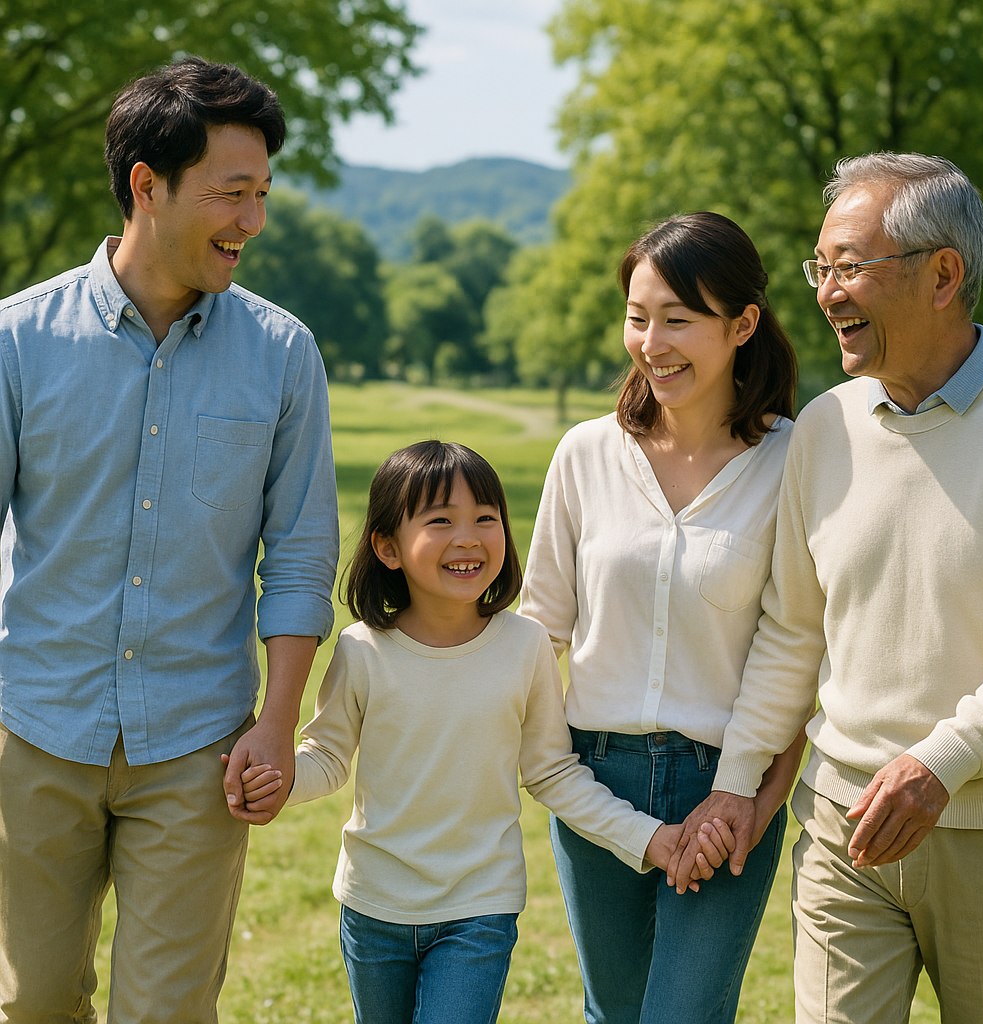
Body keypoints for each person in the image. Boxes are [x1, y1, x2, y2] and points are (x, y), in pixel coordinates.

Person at [0, 58, 339, 1021]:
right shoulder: (17, 342)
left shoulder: (283, 355)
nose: (253, 221)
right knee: (30, 1003)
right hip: (33, 729)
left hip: (198, 745)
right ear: (147, 185)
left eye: (263, 193)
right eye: (231, 194)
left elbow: (304, 553)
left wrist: (277, 723)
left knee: (167, 1013)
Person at [671, 153, 983, 1024]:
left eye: (851, 267)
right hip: (841, 829)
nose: (827, 291)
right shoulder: (825, 428)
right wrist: (740, 780)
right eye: (821, 267)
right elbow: (793, 630)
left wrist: (943, 764)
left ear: (944, 274)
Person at [241, 440, 686, 1024]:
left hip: (480, 908)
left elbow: (553, 771)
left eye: (486, 518)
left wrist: (644, 837)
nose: (468, 537)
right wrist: (275, 781)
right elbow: (326, 756)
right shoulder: (362, 650)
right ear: (387, 547)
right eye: (440, 521)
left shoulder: (525, 646)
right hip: (374, 907)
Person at [517, 212, 804, 1024]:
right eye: (638, 318)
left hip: (724, 784)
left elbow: (793, 644)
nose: (652, 342)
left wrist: (742, 794)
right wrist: (554, 773)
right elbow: (541, 628)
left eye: (679, 319)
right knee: (612, 1013)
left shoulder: (795, 460)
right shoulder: (584, 453)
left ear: (742, 324)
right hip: (593, 777)